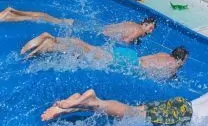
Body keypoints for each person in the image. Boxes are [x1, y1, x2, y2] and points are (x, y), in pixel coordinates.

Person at [40, 74, 208, 126]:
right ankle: (93, 101)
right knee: (129, 115)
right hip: (182, 115)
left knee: (135, 110)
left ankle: (78, 105)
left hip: (179, 104)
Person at [20, 32, 188, 78]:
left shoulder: (162, 53)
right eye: (184, 62)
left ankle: (54, 44)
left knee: (88, 52)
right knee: (86, 48)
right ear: (180, 60)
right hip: (127, 62)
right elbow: (160, 75)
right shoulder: (173, 65)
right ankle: (51, 40)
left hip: (129, 55)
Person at [0, 7, 73, 25]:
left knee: (34, 17)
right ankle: (60, 21)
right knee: (35, 15)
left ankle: (60, 22)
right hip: (3, 15)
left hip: (3, 17)